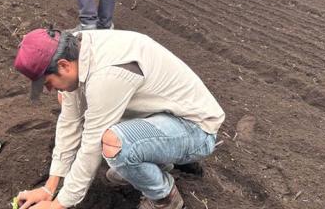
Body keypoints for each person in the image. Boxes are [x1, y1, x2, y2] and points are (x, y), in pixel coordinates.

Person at [12, 28, 225, 209]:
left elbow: (91, 144)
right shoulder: (74, 49)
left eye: (47, 82)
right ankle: (157, 161)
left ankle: (165, 198)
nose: (47, 89)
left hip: (195, 128)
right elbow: (69, 122)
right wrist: (49, 189)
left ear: (64, 66)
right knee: (68, 98)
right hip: (159, 116)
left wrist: (59, 204)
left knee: (116, 145)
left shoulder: (108, 74)